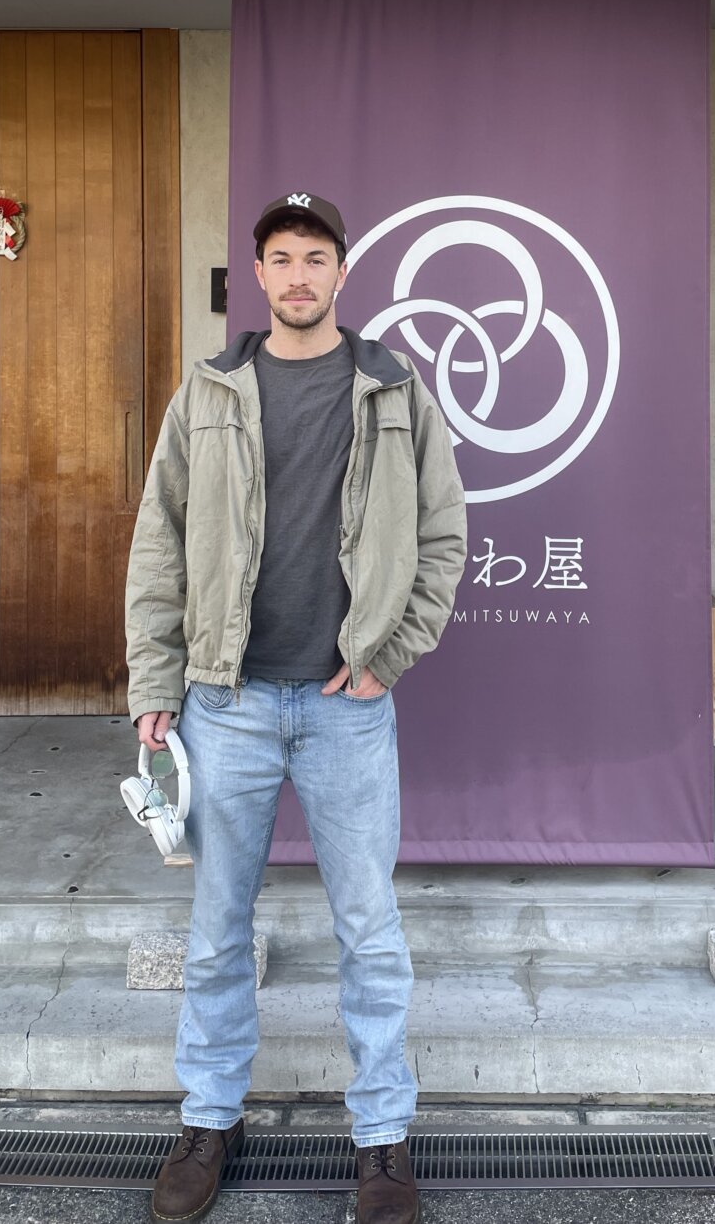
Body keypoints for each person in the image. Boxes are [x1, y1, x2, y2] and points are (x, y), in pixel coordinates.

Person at [125, 191, 467, 1224]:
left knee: (369, 930)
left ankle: (382, 1138)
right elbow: (159, 540)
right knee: (217, 930)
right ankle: (209, 1118)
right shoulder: (209, 391)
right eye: (281, 257)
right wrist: (155, 683)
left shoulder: (395, 389)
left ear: (342, 273)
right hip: (224, 703)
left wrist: (387, 657)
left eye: (316, 257)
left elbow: (442, 535)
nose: (299, 274)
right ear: (258, 274)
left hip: (345, 706)